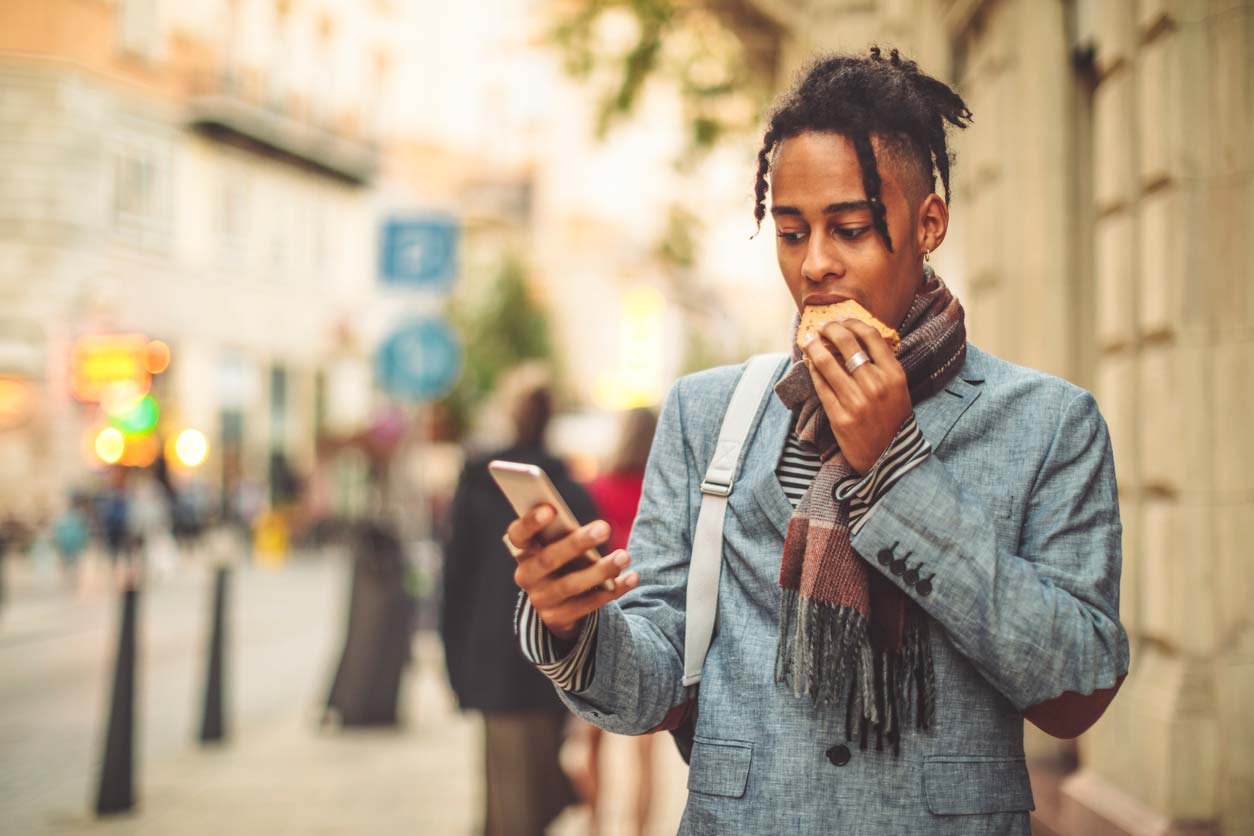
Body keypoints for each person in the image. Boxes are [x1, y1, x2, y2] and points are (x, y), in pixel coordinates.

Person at [504, 48, 1129, 835]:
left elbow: (1079, 688)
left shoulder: (1047, 423)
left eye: (853, 229)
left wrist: (896, 472)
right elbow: (656, 686)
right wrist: (573, 624)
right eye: (791, 232)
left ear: (929, 223)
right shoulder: (708, 414)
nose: (816, 265)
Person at [441, 363, 589, 836]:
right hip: (552, 665)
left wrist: (455, 667)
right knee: (527, 801)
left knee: (507, 802)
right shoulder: (573, 494)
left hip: (491, 659)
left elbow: (454, 581)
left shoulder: (478, 488)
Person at [580, 408, 659, 836]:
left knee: (591, 735)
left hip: (603, 614)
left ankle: (594, 824)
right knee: (644, 749)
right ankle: (640, 831)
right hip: (647, 614)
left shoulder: (596, 488)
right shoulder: (661, 489)